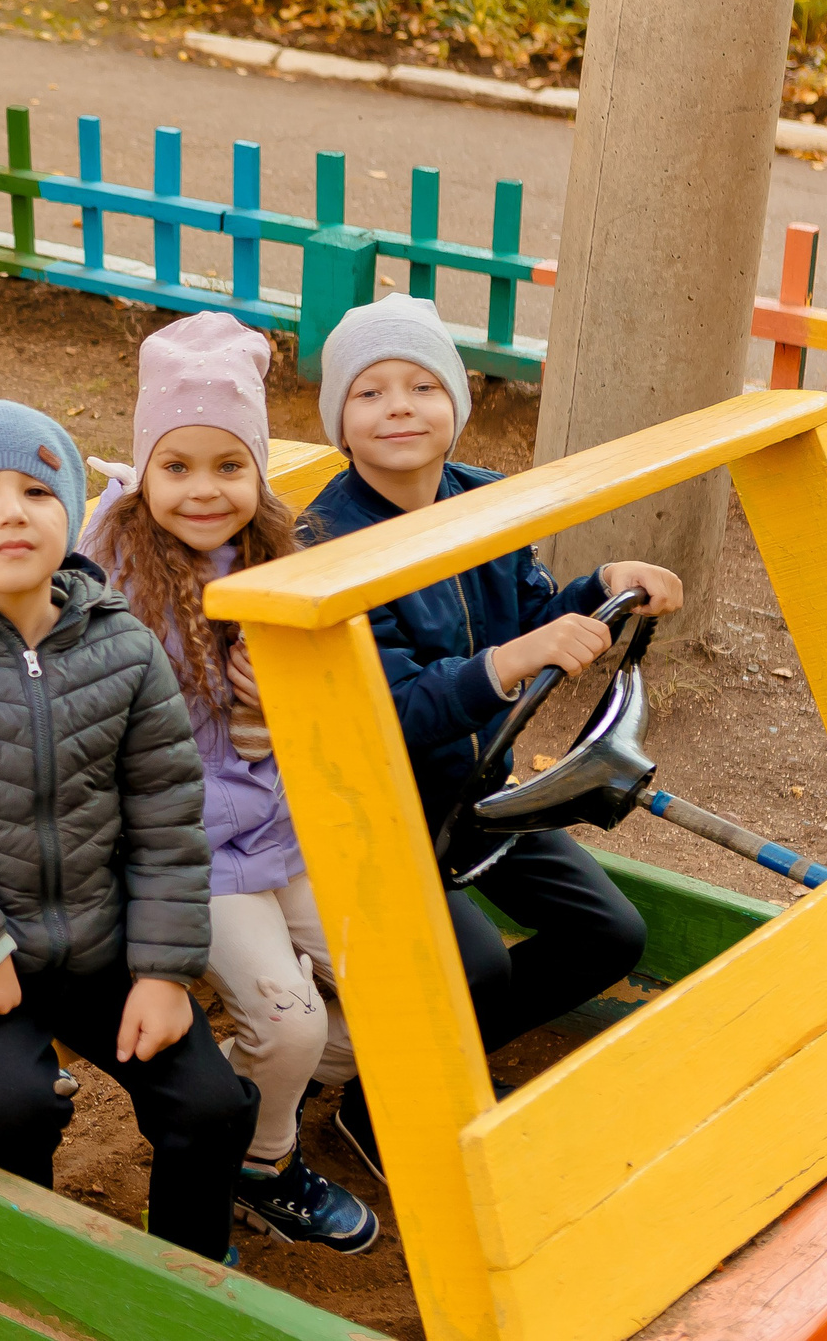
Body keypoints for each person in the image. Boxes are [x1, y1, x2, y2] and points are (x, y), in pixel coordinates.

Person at [0, 400, 259, 1264]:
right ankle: (29, 1272)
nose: (11, 512)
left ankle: (186, 1274)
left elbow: (169, 817)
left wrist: (165, 970)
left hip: (104, 944)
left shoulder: (124, 650)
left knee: (211, 1104)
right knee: (13, 1106)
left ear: (70, 514)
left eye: (36, 488)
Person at [302, 294, 673, 1177]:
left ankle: (436, 1073)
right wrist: (508, 661)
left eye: (423, 385)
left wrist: (602, 586)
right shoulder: (325, 542)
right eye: (371, 392)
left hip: (475, 800)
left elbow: (532, 617)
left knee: (610, 935)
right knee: (477, 966)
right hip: (377, 815)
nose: (399, 406)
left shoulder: (484, 504)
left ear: (458, 406)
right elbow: (383, 708)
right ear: (340, 423)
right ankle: (380, 1107)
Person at [80, 313, 377, 1254]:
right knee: (291, 1025)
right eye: (176, 467)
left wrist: (281, 701)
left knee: (383, 987)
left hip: (280, 821)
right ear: (145, 471)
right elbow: (108, 740)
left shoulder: (280, 555)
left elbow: (333, 704)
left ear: (257, 471)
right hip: (187, 845)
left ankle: (254, 1083)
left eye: (228, 466)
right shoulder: (113, 575)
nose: (204, 490)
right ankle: (263, 1161)